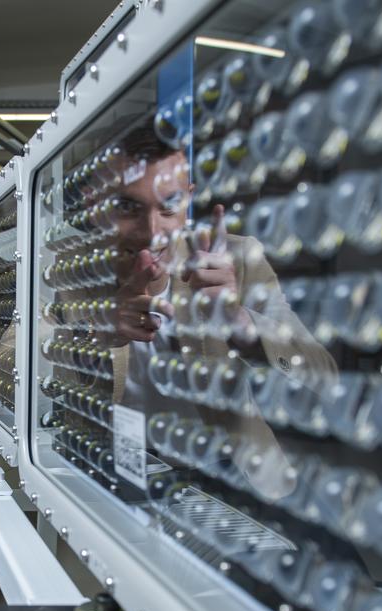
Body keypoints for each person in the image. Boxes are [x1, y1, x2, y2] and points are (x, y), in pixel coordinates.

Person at [102, 123, 336, 499]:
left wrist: (241, 322)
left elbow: (322, 375)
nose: (151, 231)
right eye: (129, 207)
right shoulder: (67, 273)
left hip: (231, 474)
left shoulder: (238, 258)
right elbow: (4, 371)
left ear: (189, 199)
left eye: (169, 206)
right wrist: (98, 332)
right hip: (110, 475)